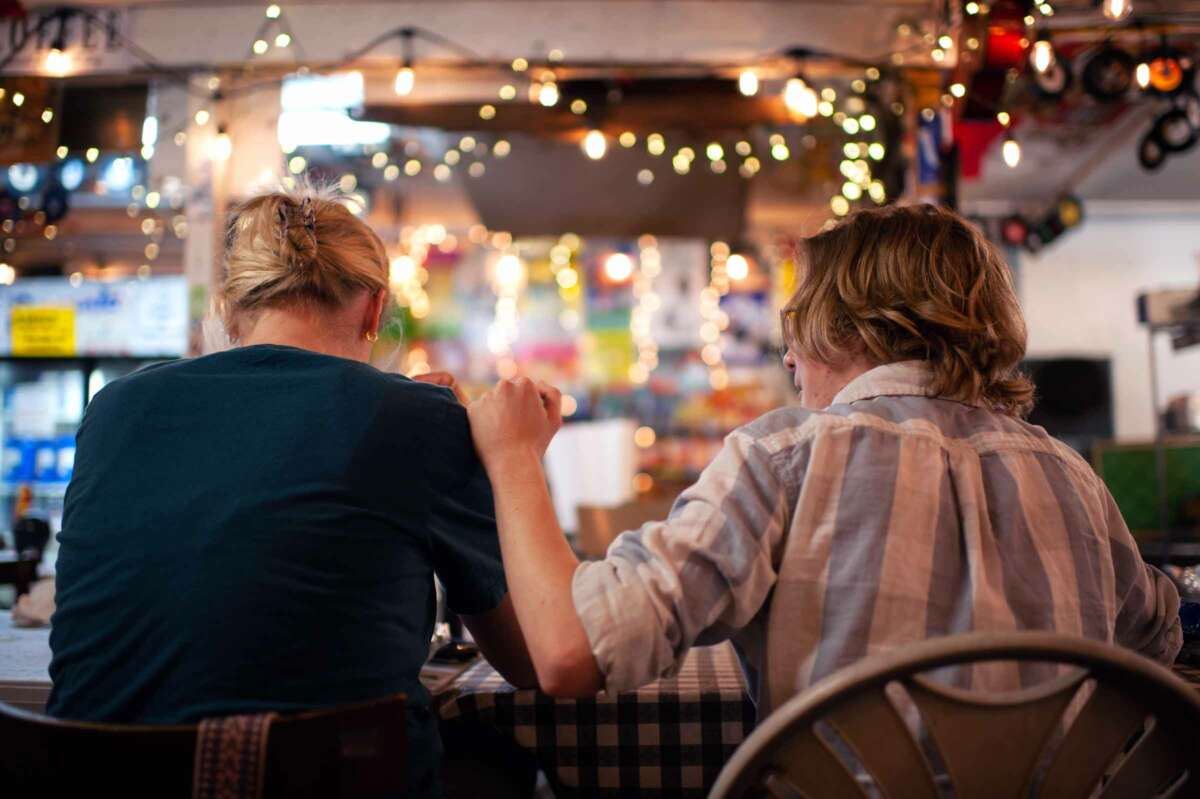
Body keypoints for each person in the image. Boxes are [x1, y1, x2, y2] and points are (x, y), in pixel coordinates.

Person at [466, 203, 1182, 714]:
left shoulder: (784, 457)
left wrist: (512, 457)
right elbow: (1157, 642)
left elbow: (568, 655)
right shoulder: (1074, 478)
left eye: (799, 321)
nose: (787, 353)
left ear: (850, 327)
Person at [48, 187, 534, 798]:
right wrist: (486, 454)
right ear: (374, 309)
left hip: (98, 780)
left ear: (228, 307)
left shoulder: (113, 408)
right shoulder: (419, 416)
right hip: (330, 781)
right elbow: (528, 660)